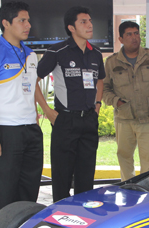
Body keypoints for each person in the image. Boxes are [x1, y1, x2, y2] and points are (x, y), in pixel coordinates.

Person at [0, 0, 45, 215]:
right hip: (5, 131)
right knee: (5, 194)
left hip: (30, 131)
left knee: (29, 191)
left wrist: (39, 114)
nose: (28, 25)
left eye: (28, 20)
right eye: (21, 20)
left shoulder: (30, 54)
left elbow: (31, 86)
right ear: (6, 23)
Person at [37, 6, 105, 202]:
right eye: (83, 21)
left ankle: (83, 223)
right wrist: (47, 110)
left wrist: (98, 105)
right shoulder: (57, 51)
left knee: (86, 180)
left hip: (89, 121)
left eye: (90, 21)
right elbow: (33, 80)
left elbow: (100, 79)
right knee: (62, 179)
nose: (89, 24)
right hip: (64, 121)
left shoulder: (96, 53)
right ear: (71, 27)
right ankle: (61, 221)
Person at [102, 21, 149, 181]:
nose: (134, 37)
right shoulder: (112, 62)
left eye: (136, 33)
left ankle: (148, 194)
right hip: (124, 118)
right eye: (129, 34)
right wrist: (116, 102)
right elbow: (105, 89)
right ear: (120, 38)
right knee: (124, 157)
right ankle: (128, 190)